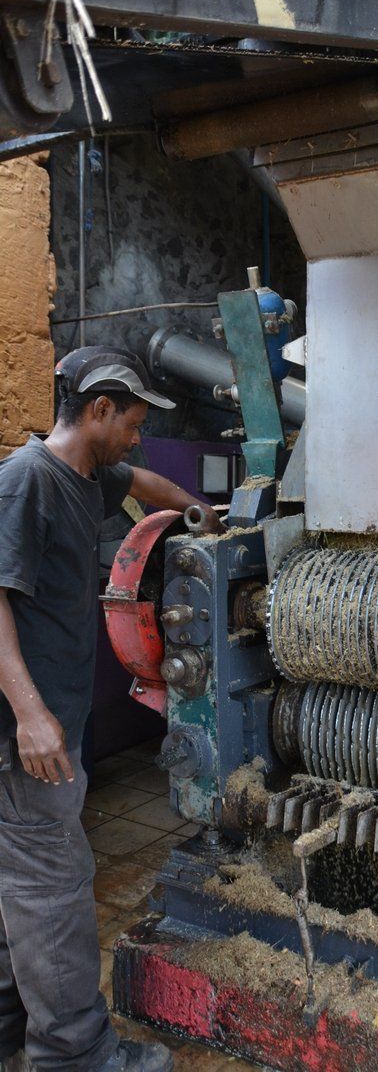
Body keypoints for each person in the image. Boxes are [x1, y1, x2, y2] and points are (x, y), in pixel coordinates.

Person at [0, 347, 221, 1072]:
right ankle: (75, 1056)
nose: (134, 437)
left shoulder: (84, 477)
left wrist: (193, 512)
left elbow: (144, 482)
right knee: (54, 889)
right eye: (129, 423)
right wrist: (32, 715)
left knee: (19, 886)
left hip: (49, 723)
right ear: (98, 410)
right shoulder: (26, 481)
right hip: (24, 735)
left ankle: (11, 1022)